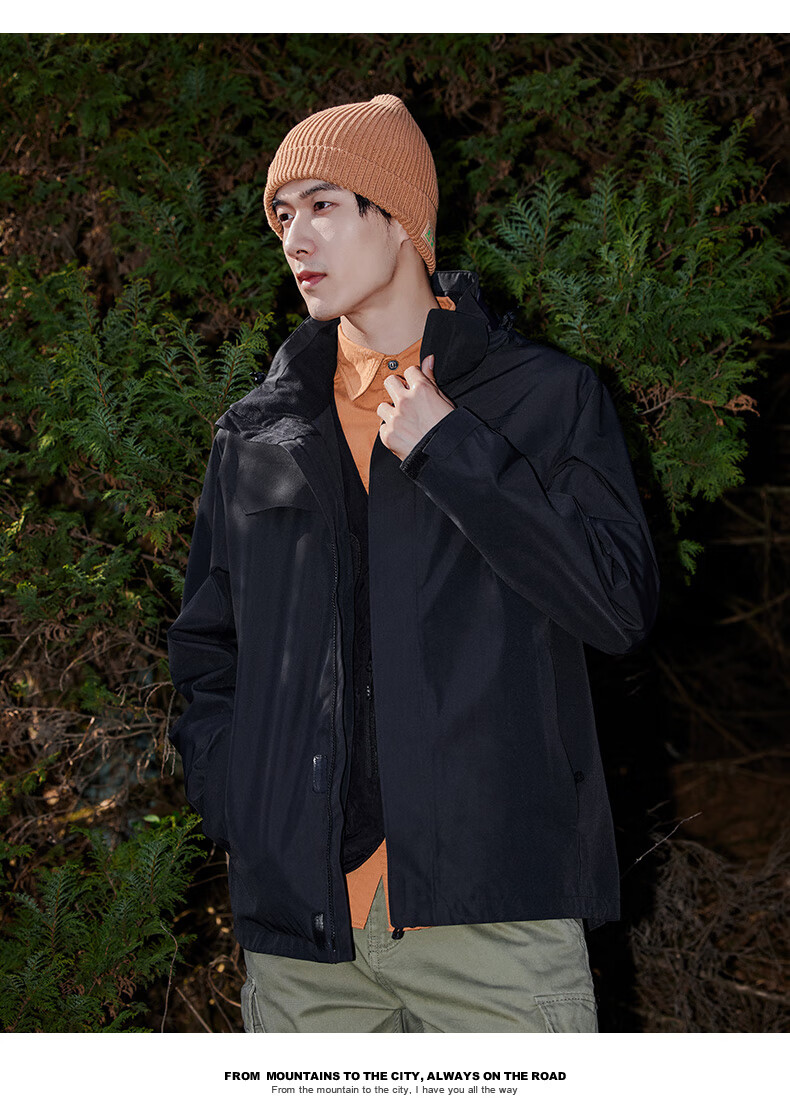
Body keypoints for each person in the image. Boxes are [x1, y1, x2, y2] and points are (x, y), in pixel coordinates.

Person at [167, 94, 660, 1033]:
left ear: (400, 219)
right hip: (304, 936)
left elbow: (617, 605)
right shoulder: (257, 434)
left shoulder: (545, 399)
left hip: (495, 922)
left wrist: (454, 453)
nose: (295, 238)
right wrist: (243, 804)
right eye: (282, 214)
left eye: (323, 205)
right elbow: (208, 654)